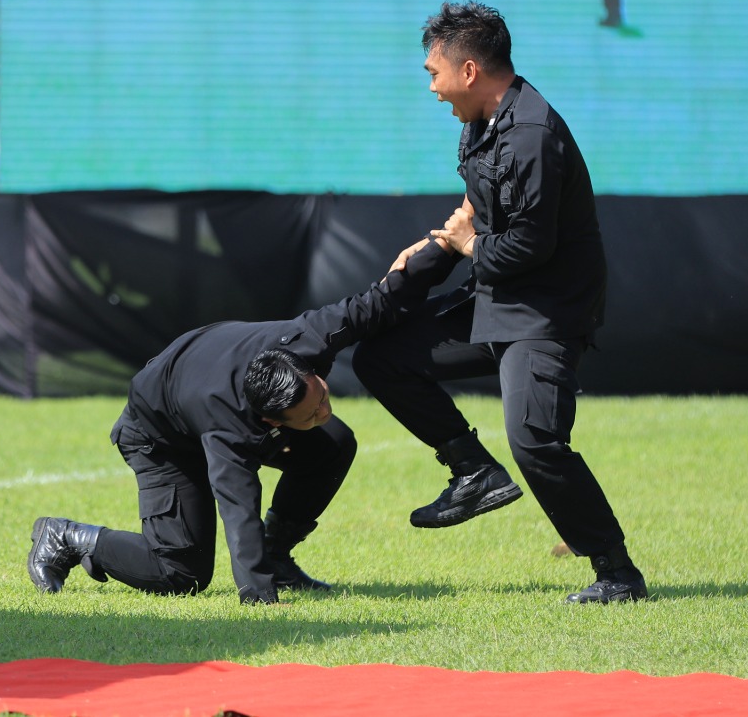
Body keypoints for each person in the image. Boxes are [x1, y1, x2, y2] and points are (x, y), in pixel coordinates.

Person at [352, 1, 647, 605]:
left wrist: (465, 244)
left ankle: (618, 574)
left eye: (433, 73)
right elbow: (479, 210)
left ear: (467, 71)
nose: (432, 89)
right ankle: (472, 471)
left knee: (535, 439)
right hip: (497, 295)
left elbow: (529, 248)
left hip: (546, 310)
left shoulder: (533, 134)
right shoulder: (483, 120)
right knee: (383, 358)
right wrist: (438, 243)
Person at [27, 237, 461, 604]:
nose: (324, 410)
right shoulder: (228, 427)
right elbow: (238, 508)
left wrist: (448, 245)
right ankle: (68, 536)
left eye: (322, 396)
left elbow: (379, 302)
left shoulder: (307, 338)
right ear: (270, 419)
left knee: (333, 442)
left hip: (201, 379)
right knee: (182, 573)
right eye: (310, 414)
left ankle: (280, 555)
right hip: (160, 436)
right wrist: (259, 593)